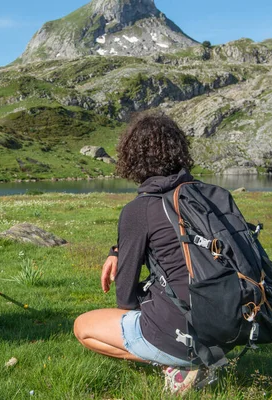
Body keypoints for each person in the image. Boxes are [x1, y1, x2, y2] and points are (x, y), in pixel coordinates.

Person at [73, 111, 206, 395]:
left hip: (185, 328)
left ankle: (178, 364)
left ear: (132, 156)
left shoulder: (139, 209)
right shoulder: (208, 195)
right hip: (233, 321)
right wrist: (118, 250)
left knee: (83, 326)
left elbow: (125, 298)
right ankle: (202, 352)